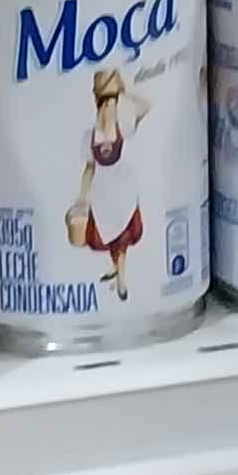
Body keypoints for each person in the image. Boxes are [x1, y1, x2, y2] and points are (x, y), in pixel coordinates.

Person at [66, 63, 149, 300]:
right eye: (105, 103)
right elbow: (89, 168)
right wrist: (82, 198)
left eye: (113, 103)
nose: (109, 109)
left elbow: (145, 106)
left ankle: (121, 279)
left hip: (123, 187)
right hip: (102, 190)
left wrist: (125, 92)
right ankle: (114, 267)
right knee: (107, 231)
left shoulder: (124, 126)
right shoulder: (90, 137)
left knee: (122, 234)